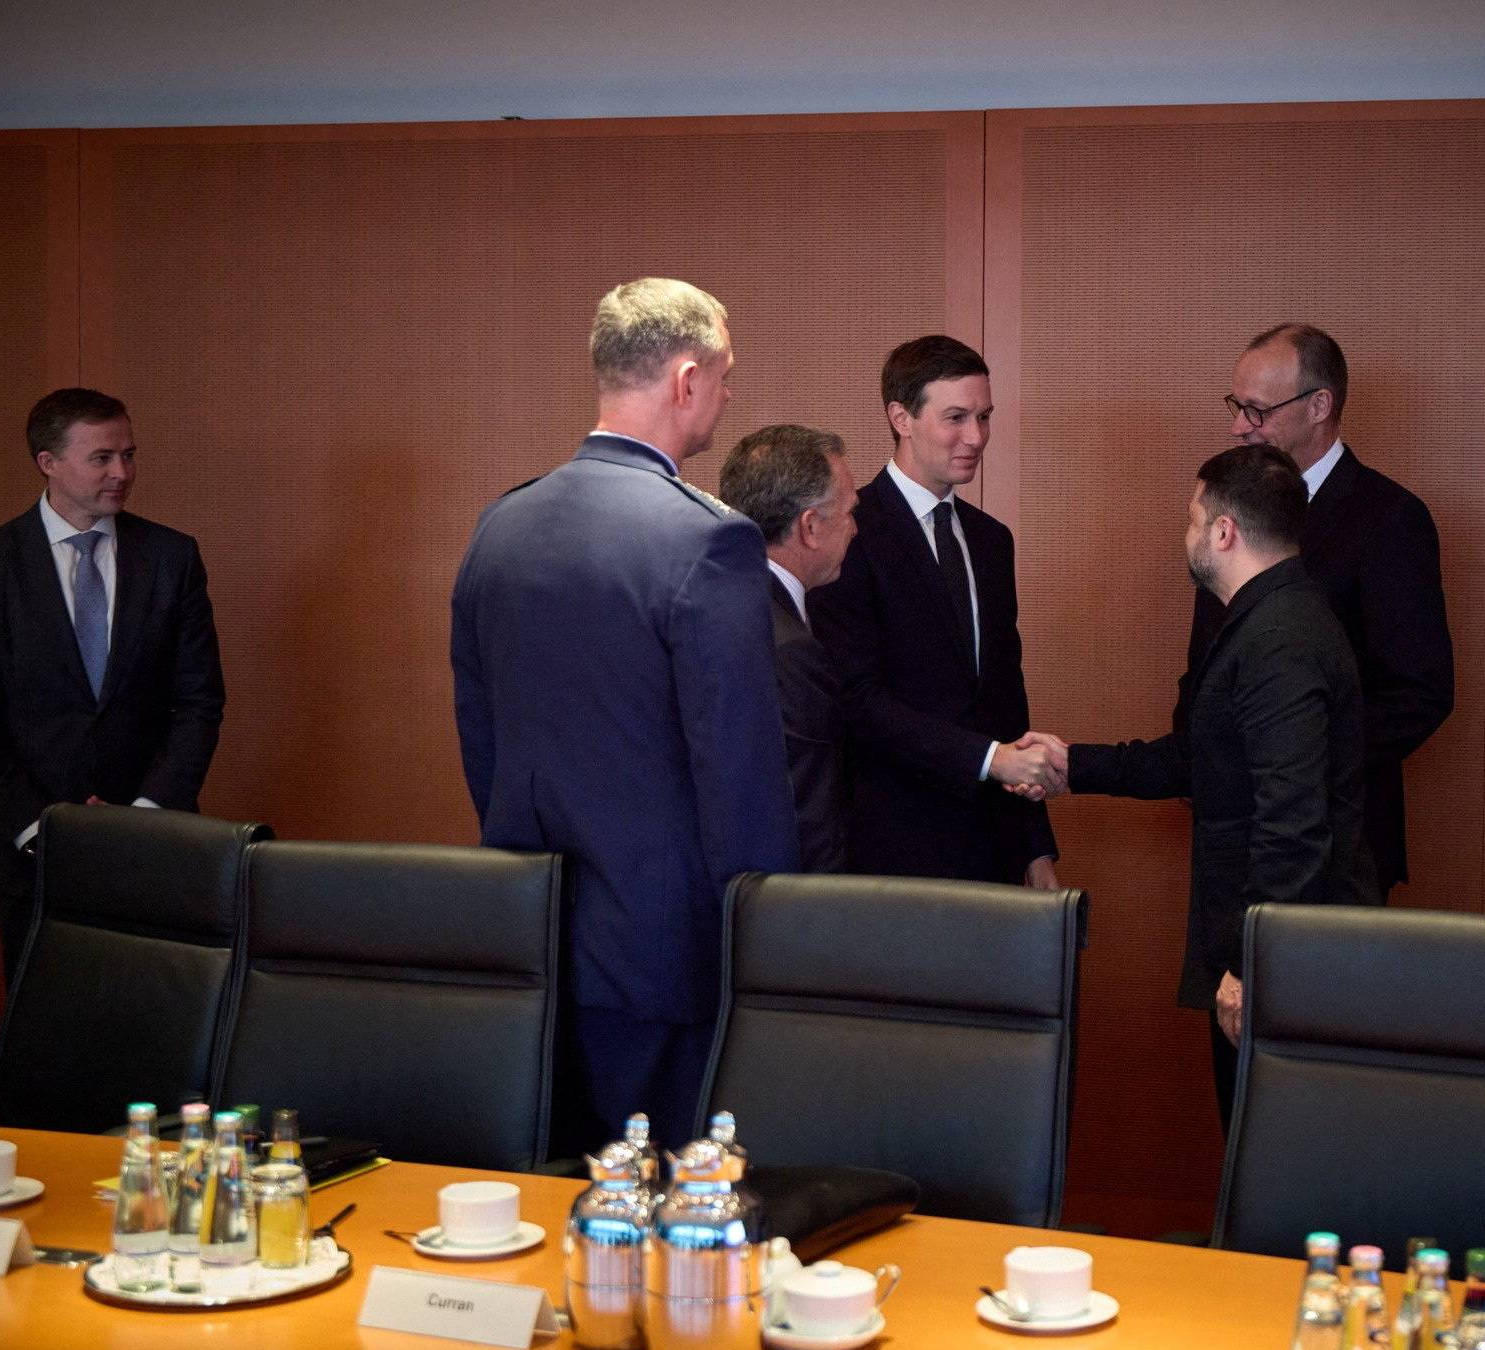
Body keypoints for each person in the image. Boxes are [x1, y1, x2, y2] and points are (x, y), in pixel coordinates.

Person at [450, 278, 798, 1148]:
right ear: (686, 380)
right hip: (665, 958)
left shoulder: (501, 525)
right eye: (724, 377)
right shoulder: (708, 538)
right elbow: (740, 773)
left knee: (552, 1191)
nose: (727, 396)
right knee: (672, 1202)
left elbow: (482, 737)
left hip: (527, 935)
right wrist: (769, 942)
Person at [1039, 445, 1376, 1130]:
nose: (1187, 533)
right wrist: (1071, 765)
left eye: (1193, 519)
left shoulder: (1279, 638)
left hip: (1288, 965)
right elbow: (1201, 760)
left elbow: (1292, 823)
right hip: (1279, 952)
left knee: (1274, 1152)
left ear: (1224, 532)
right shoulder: (1267, 619)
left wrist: (1252, 966)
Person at [1179, 324, 1452, 894]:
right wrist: (1201, 764)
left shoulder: (1390, 519)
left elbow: (1419, 694)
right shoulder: (1230, 505)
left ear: (1319, 406)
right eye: (1236, 406)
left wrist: (1291, 758)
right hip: (1227, 838)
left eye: (1257, 411)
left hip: (1339, 849)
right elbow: (1206, 665)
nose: (1239, 427)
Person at [808, 335, 1060, 886]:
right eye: (956, 418)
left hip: (992, 850)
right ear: (901, 417)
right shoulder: (851, 532)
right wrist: (989, 758)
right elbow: (856, 699)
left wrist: (1034, 847)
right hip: (889, 850)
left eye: (984, 417)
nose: (976, 437)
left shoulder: (991, 541)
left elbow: (1005, 701)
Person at [0, 388, 225, 983]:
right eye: (102, 458)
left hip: (154, 846)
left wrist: (145, 815)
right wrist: (39, 829)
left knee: (157, 1018)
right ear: (48, 462)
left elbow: (198, 702)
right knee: (49, 1025)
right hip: (33, 855)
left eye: (129, 454)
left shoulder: (172, 557)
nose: (122, 472)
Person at [719, 423, 858, 873]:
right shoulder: (792, 651)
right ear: (810, 527)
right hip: (776, 899)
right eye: (849, 513)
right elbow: (810, 823)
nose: (855, 529)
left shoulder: (709, 603)